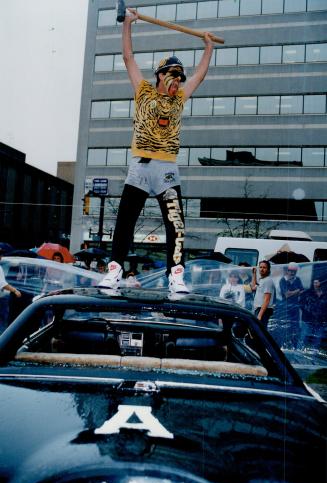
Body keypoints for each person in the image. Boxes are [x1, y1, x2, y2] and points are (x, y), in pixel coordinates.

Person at [99, 9, 215, 294]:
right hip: (140, 166)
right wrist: (128, 24)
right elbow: (128, 57)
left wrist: (209, 48)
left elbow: (199, 77)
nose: (178, 80)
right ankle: (114, 270)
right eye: (173, 74)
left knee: (175, 222)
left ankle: (175, 274)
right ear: (161, 75)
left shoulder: (180, 100)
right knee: (126, 218)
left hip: (167, 169)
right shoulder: (143, 91)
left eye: (180, 76)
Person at [278, 262, 304, 347]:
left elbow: (302, 291)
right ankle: (283, 345)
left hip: (295, 308)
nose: (292, 273)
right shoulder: (283, 280)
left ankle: (293, 345)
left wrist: (292, 292)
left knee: (295, 327)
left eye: (294, 271)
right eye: (291, 271)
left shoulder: (298, 279)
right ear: (287, 271)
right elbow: (286, 294)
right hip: (285, 308)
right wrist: (297, 291)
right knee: (285, 327)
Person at [300, 278, 327, 350]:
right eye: (314, 283)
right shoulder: (308, 293)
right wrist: (308, 313)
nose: (316, 284)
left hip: (320, 321)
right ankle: (297, 354)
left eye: (317, 283)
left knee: (317, 341)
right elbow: (301, 304)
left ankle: (313, 357)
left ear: (321, 283)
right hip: (308, 321)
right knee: (303, 339)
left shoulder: (325, 294)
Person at [251, 260, 275, 329]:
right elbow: (253, 287)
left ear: (268, 269)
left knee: (260, 331)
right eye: (260, 267)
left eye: (264, 267)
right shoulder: (262, 280)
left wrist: (259, 315)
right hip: (258, 309)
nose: (262, 269)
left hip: (263, 310)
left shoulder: (268, 281)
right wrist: (254, 274)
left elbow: (267, 300)